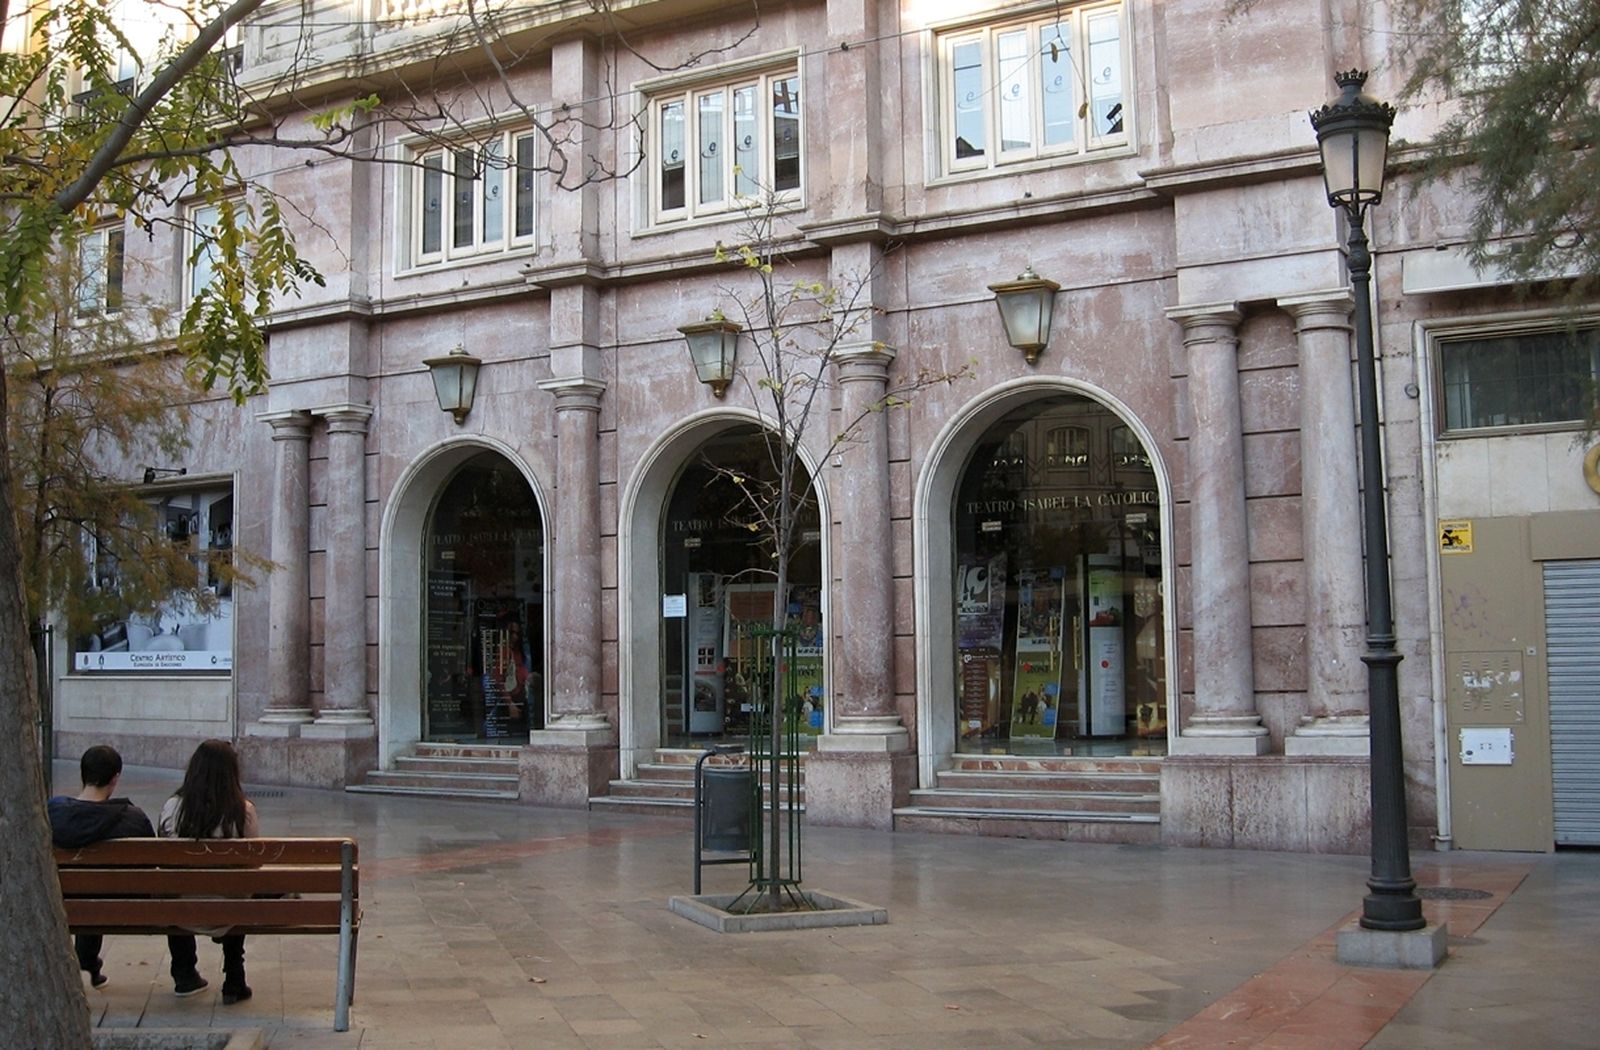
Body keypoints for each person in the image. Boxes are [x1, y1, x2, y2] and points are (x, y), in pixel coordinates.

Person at [159, 739, 260, 1004]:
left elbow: (165, 861)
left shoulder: (173, 808)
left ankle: (184, 973)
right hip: (230, 907)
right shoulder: (243, 811)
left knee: (174, 886)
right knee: (239, 887)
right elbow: (251, 865)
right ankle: (234, 978)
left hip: (183, 907)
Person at [47, 745, 155, 990]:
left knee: (87, 886)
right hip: (124, 902)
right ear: (115, 778)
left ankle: (88, 961)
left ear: (82, 774)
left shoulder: (54, 813)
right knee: (97, 888)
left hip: (64, 898)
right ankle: (185, 972)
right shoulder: (133, 818)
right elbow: (151, 863)